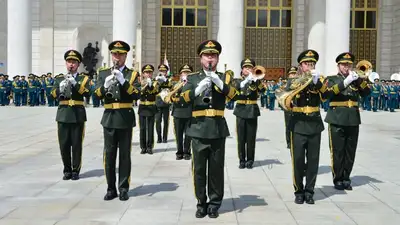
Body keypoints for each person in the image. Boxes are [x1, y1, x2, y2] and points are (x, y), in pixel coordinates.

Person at [179, 40, 237, 218]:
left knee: (216, 168)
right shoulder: (193, 77)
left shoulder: (224, 77)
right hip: (198, 128)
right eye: (206, 55)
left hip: (217, 128)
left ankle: (214, 203)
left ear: (218, 58)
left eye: (213, 55)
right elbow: (183, 98)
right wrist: (197, 90)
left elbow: (234, 95)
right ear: (200, 58)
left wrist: (220, 83)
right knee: (198, 169)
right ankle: (201, 202)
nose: (210, 58)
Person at [95, 40, 140, 201]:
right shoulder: (102, 73)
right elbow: (96, 95)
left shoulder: (132, 74)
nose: (117, 57)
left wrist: (123, 81)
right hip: (109, 118)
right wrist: (105, 85)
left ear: (126, 56)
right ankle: (110, 188)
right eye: (115, 54)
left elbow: (136, 94)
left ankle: (123, 188)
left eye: (120, 54)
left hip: (125, 118)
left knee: (124, 156)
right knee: (109, 155)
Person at [321, 52, 371, 191]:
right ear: (338, 66)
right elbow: (327, 94)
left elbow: (367, 93)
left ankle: (346, 177)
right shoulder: (331, 79)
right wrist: (345, 82)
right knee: (337, 151)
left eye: (349, 64)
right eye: (344, 64)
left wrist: (360, 80)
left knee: (350, 151)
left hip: (353, 119)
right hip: (337, 118)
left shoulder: (356, 79)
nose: (346, 67)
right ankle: (337, 178)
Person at [288, 49, 325, 204]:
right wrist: (305, 82)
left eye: (312, 63)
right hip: (298, 123)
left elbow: (327, 96)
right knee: (297, 160)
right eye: (306, 64)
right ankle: (298, 190)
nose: (309, 66)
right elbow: (285, 99)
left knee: (313, 160)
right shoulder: (293, 81)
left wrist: (317, 83)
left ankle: (310, 191)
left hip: (315, 124)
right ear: (301, 66)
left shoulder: (320, 81)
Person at [51, 50, 90, 181]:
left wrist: (75, 83)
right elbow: (51, 95)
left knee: (77, 144)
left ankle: (75, 170)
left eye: (74, 62)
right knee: (64, 145)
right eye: (69, 62)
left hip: (77, 114)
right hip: (63, 114)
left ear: (78, 64)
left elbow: (87, 93)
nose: (71, 65)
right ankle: (66, 169)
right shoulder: (59, 79)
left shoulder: (83, 79)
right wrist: (59, 89)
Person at [233, 58, 265, 169]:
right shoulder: (237, 80)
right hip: (241, 109)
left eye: (250, 68)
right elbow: (234, 90)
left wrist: (255, 80)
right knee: (241, 138)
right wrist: (246, 81)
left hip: (252, 110)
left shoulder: (256, 80)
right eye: (246, 67)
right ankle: (241, 160)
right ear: (242, 70)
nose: (248, 69)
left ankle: (250, 160)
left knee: (251, 138)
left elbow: (263, 91)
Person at [170, 64, 193, 160]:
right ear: (180, 74)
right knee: (178, 134)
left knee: (188, 134)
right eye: (184, 73)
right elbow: (171, 97)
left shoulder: (192, 85)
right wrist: (180, 86)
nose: (186, 74)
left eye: (188, 73)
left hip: (189, 111)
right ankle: (179, 152)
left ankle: (187, 152)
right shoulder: (175, 84)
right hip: (178, 112)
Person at [138, 64, 159, 154]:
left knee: (150, 128)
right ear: (143, 74)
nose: (148, 74)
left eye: (150, 72)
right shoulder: (140, 83)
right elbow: (138, 92)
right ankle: (143, 147)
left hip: (151, 107)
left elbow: (155, 92)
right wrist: (145, 85)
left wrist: (150, 85)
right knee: (142, 128)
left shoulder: (155, 83)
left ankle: (150, 147)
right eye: (146, 72)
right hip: (142, 107)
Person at [155, 64, 173, 143]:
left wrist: (165, 79)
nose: (162, 72)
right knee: (158, 121)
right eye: (161, 71)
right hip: (158, 103)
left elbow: (171, 86)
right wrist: (156, 81)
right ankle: (159, 137)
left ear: (166, 72)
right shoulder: (156, 79)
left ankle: (165, 137)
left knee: (166, 121)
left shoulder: (170, 79)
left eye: (164, 71)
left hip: (166, 103)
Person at [284, 66, 298, 149]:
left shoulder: (299, 82)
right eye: (291, 74)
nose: (293, 75)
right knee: (289, 125)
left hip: (298, 107)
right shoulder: (287, 83)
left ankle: (295, 140)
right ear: (288, 75)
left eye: (294, 73)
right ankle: (289, 142)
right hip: (289, 107)